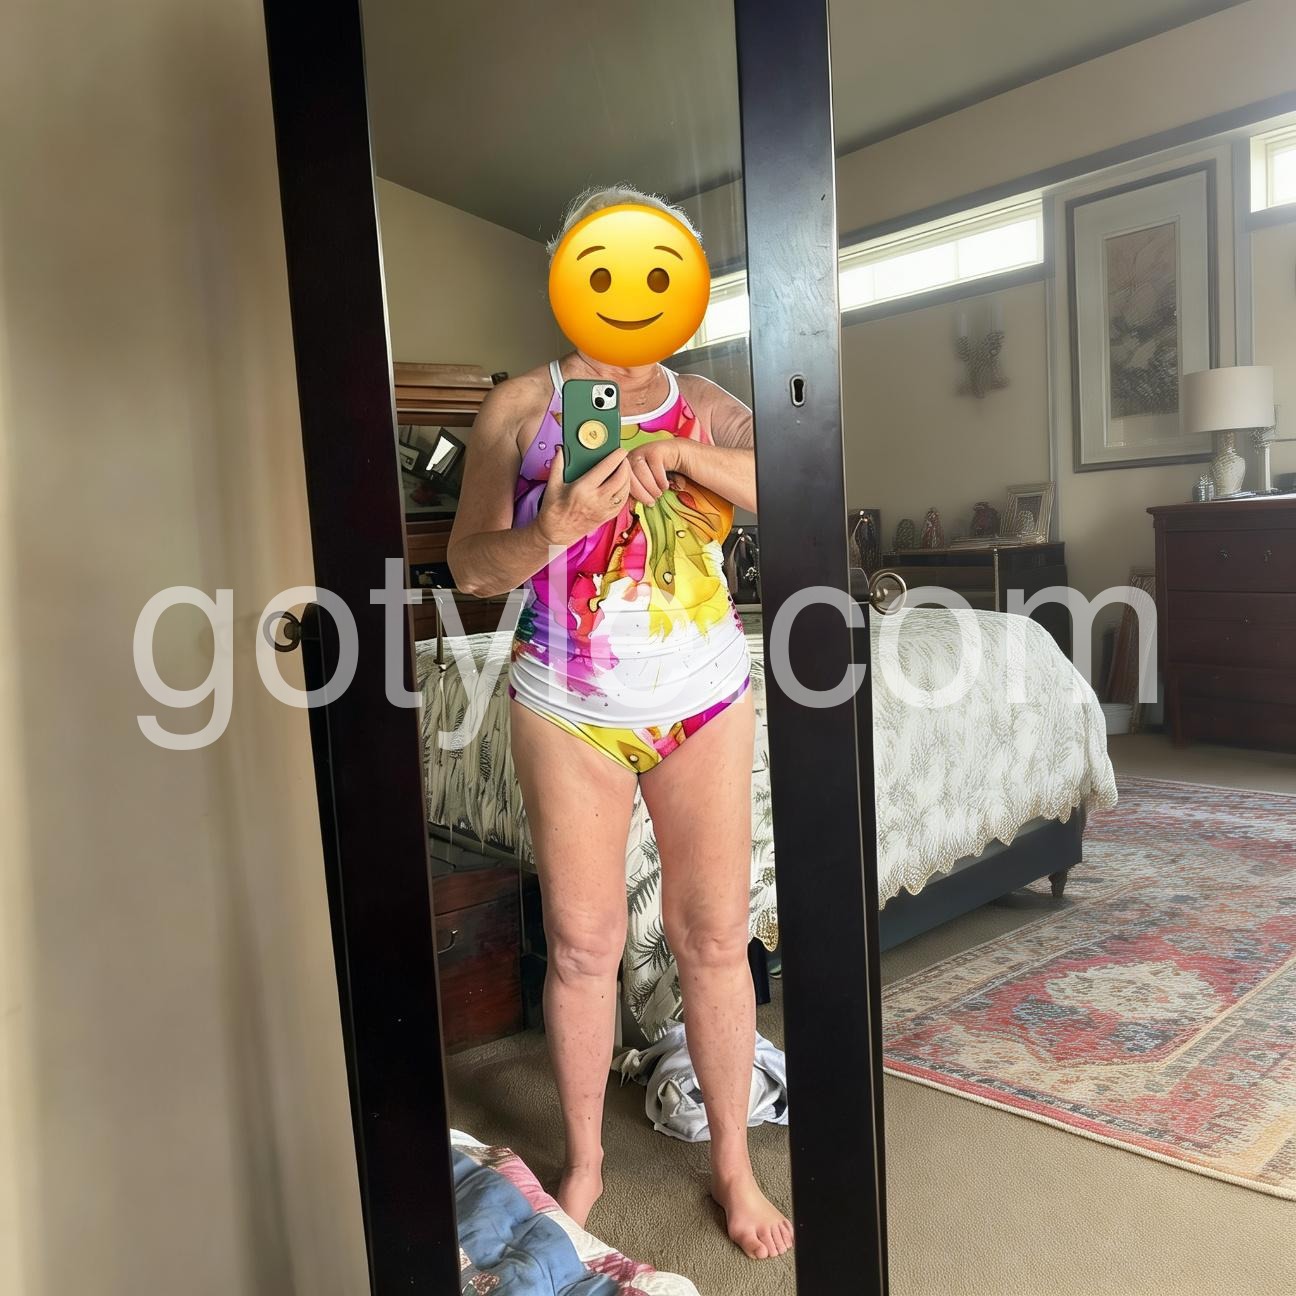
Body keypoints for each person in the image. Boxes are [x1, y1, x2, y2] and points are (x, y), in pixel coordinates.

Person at [447, 186, 792, 1261]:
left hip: (702, 699)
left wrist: (682, 456)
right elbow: (470, 569)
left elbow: (802, 483)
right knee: (584, 945)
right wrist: (553, 526)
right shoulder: (519, 407)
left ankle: (733, 1164)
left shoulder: (708, 401)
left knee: (714, 938)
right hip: (566, 706)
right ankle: (587, 1163)